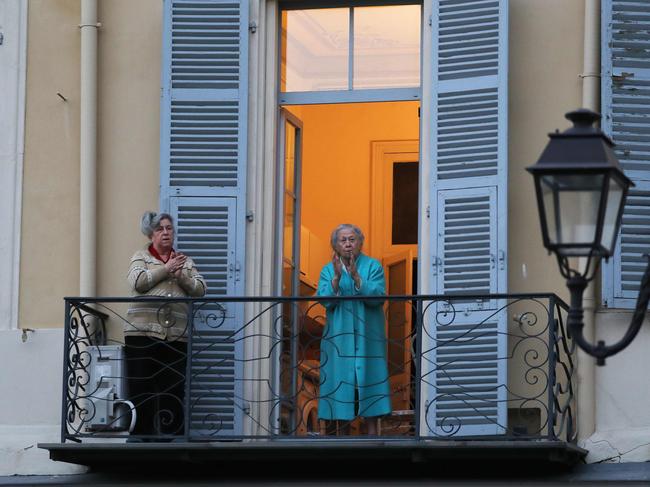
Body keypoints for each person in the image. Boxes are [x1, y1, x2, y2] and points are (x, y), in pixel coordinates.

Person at [124, 211, 206, 439]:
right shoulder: (141, 257)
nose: (166, 232)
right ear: (151, 234)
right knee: (141, 389)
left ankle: (173, 440)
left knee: (174, 389)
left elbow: (200, 290)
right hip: (141, 335)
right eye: (160, 229)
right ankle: (142, 439)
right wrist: (166, 269)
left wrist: (181, 277)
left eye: (169, 228)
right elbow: (138, 282)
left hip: (176, 337)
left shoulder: (185, 261)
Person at [316, 224, 392, 435]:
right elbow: (324, 300)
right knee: (341, 385)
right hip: (339, 340)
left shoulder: (373, 266)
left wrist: (357, 277)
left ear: (360, 242)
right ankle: (342, 438)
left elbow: (378, 298)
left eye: (352, 239)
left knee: (369, 382)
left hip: (368, 338)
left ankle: (373, 436)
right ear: (336, 245)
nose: (348, 244)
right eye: (343, 240)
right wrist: (337, 279)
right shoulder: (327, 269)